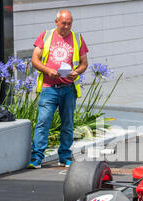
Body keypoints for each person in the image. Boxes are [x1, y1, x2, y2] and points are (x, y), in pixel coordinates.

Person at [28, 10, 89, 169]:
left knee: (67, 124)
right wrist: (47, 70)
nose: (66, 26)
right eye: (63, 23)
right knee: (43, 122)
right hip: (49, 88)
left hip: (68, 89)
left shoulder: (77, 38)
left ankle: (65, 156)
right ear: (56, 22)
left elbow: (84, 63)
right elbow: (35, 59)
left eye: (69, 23)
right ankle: (37, 157)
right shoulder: (46, 35)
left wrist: (77, 72)